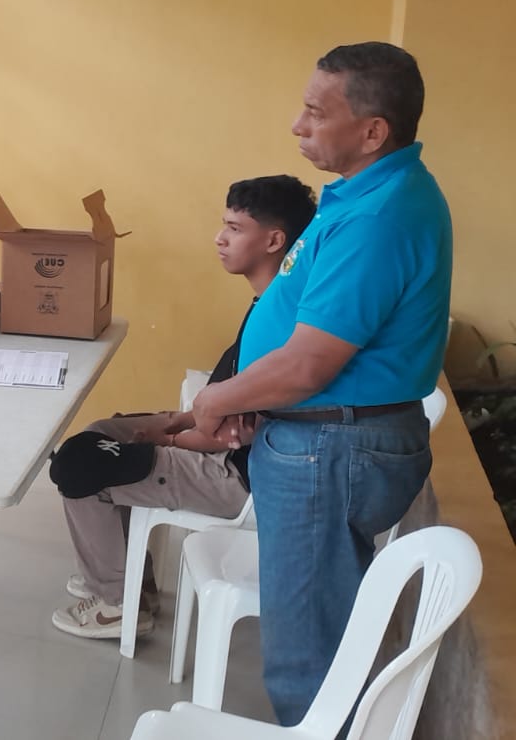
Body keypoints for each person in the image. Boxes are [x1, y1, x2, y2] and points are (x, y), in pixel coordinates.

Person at [187, 42, 451, 725]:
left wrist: (218, 398)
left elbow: (309, 365)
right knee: (323, 627)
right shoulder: (368, 194)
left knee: (306, 658)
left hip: (329, 450)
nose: (297, 125)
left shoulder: (378, 217)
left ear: (372, 131)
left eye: (315, 112)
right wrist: (256, 397)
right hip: (326, 437)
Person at [48, 176, 317, 640]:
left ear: (274, 241)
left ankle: (116, 604)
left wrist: (170, 438)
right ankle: (130, 578)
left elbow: (231, 434)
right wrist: (179, 421)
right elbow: (229, 402)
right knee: (100, 432)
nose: (220, 238)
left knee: (79, 466)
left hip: (237, 477)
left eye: (235, 228)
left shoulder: (283, 318)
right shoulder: (270, 301)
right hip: (221, 442)